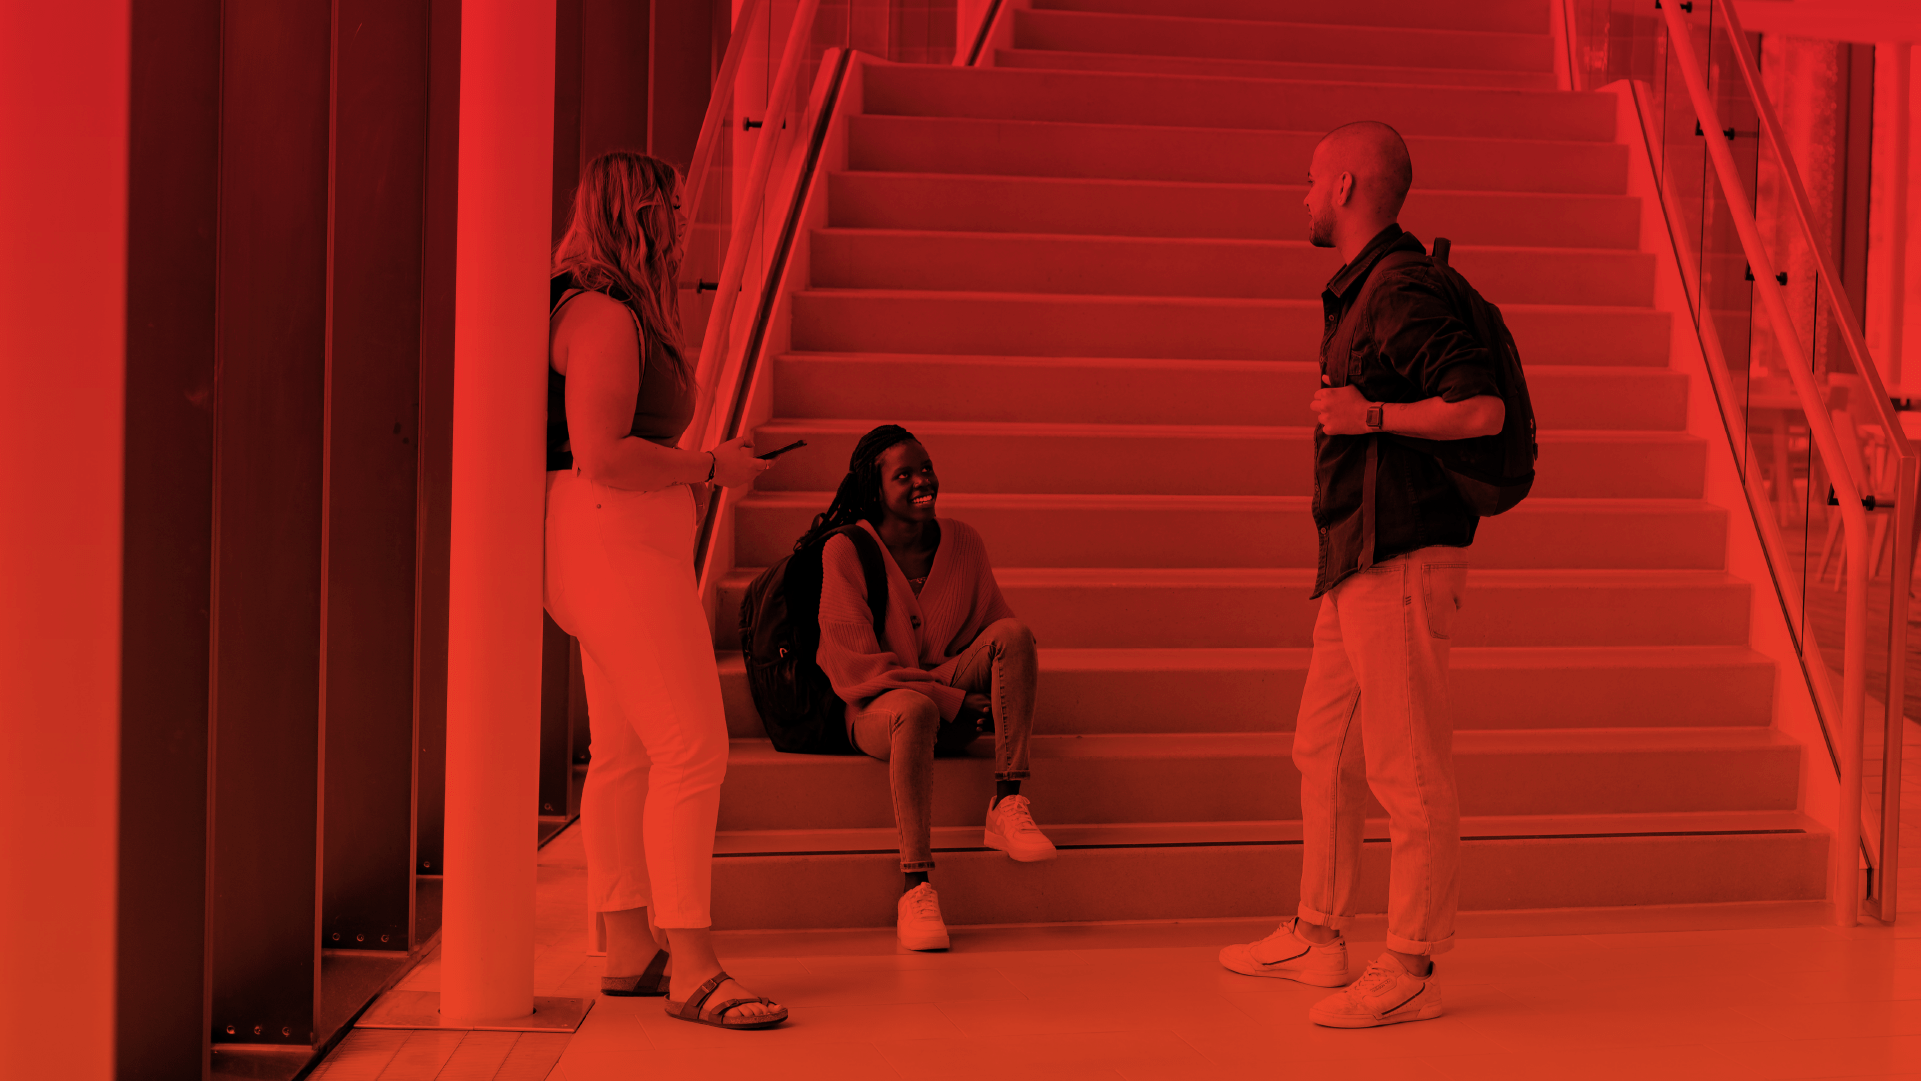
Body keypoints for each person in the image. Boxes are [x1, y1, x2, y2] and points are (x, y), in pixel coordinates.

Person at [1217, 122, 1504, 1028]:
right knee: (1323, 749)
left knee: (1405, 764)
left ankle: (1412, 961)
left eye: (1309, 181)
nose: (1302, 195)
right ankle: (1319, 929)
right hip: (1356, 553)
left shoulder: (1399, 289)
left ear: (1345, 186)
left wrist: (1370, 411)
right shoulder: (1364, 288)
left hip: (1403, 552)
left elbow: (1481, 408)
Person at [543, 150, 787, 1030]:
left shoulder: (586, 301)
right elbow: (602, 451)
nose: (683, 224)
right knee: (693, 748)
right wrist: (709, 467)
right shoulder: (606, 313)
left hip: (598, 538)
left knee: (627, 753)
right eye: (672, 209)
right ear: (641, 214)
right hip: (614, 536)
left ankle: (626, 943)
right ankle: (694, 962)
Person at [804, 425, 1055, 951]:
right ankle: (915, 887)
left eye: (927, 469)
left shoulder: (963, 540)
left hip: (943, 689)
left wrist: (976, 694)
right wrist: (951, 704)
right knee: (916, 712)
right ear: (876, 489)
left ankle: (1006, 803)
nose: (923, 482)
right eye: (904, 475)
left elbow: (993, 630)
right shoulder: (846, 551)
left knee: (1016, 635)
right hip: (878, 706)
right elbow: (855, 669)